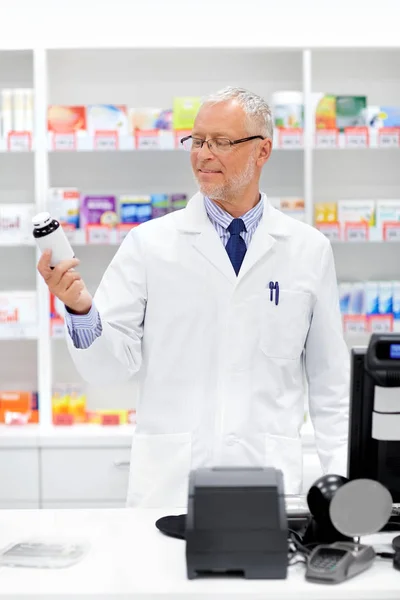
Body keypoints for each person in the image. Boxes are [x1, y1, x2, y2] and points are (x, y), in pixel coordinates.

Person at [38, 86, 349, 508]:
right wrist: (80, 309)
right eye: (198, 140)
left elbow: (332, 385)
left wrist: (344, 489)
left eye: (221, 142)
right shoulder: (148, 245)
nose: (203, 154)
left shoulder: (308, 250)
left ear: (263, 151)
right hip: (172, 488)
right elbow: (108, 369)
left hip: (270, 485)